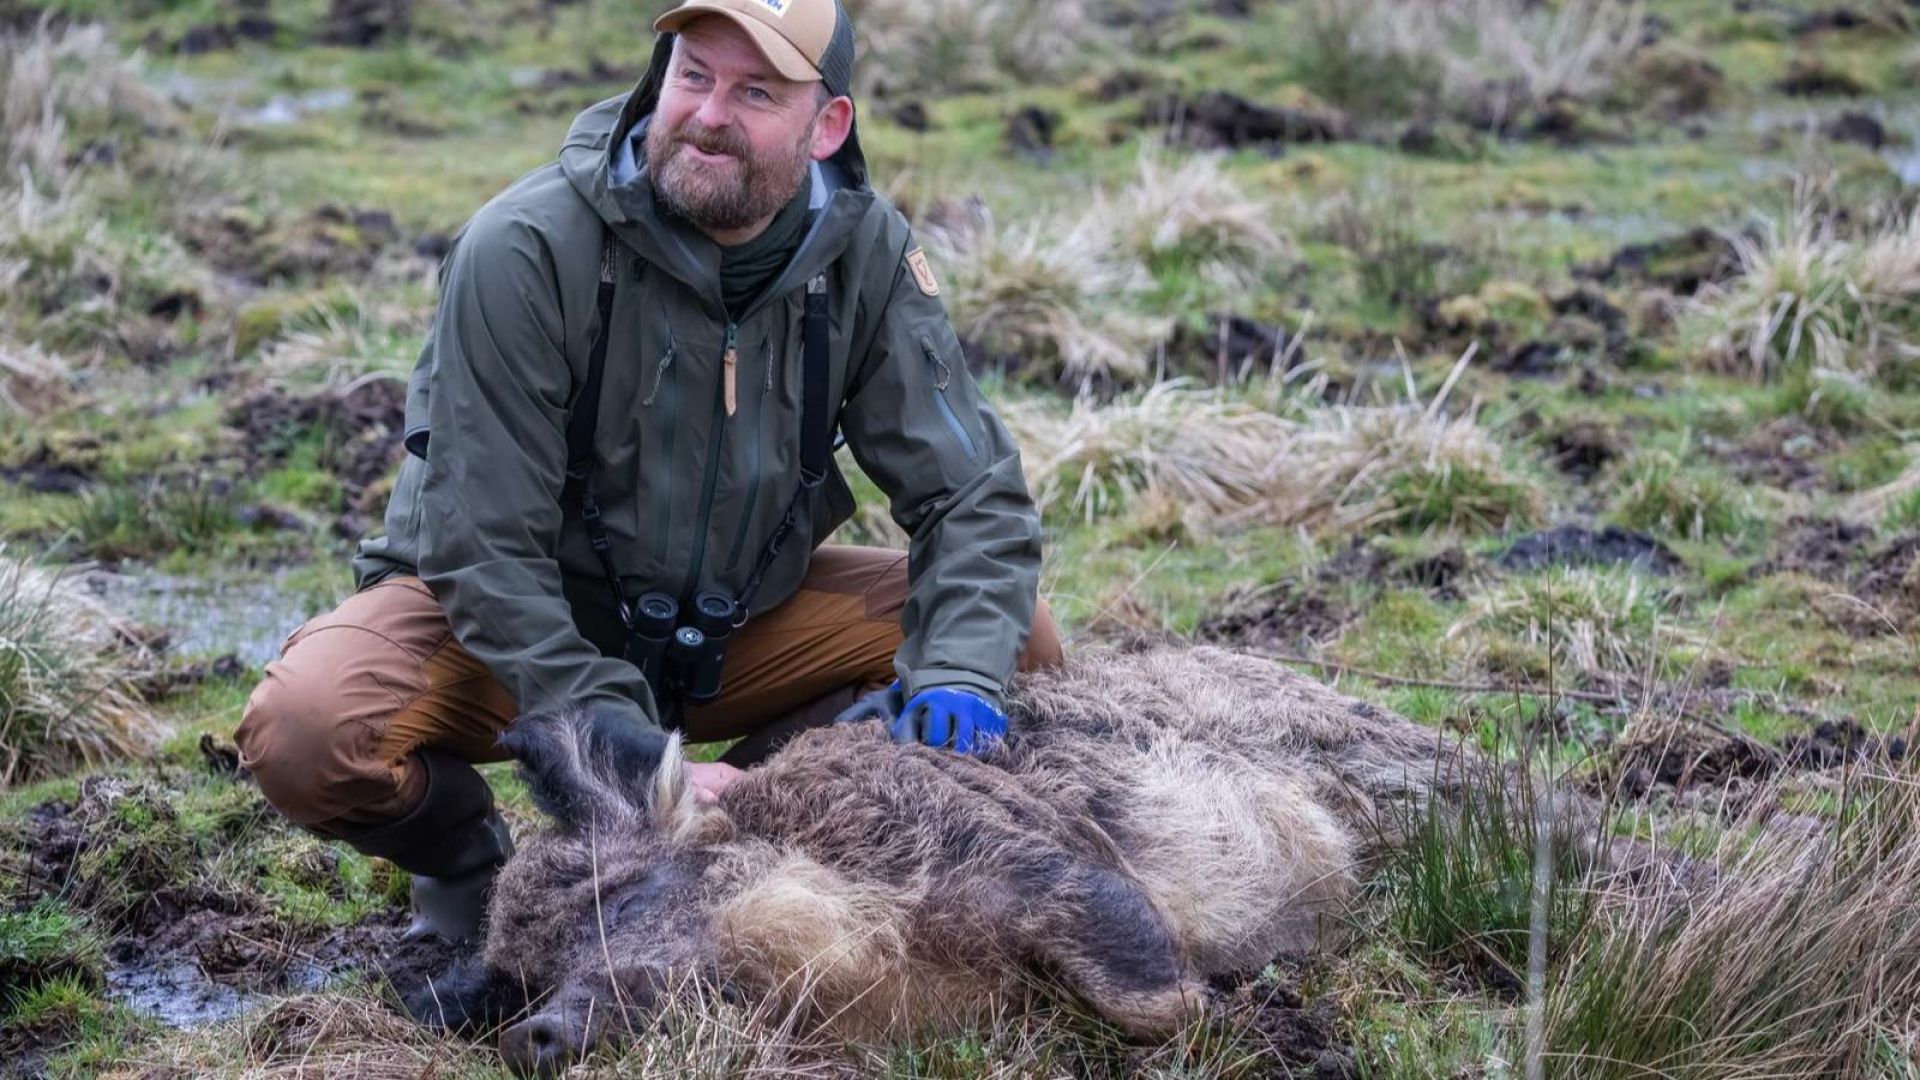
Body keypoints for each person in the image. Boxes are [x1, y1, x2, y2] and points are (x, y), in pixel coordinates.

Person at [233, 0, 1058, 945]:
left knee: (1013, 648)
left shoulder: (867, 257)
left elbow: (971, 493)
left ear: (828, 126)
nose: (709, 113)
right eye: (693, 75)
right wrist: (631, 755)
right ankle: (477, 871)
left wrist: (956, 675)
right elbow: (482, 547)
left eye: (756, 92)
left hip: (729, 629)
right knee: (306, 730)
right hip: (509, 631)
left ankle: (758, 823)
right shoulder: (525, 248)